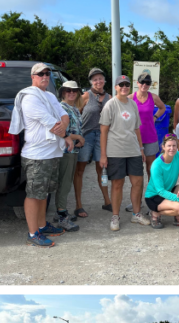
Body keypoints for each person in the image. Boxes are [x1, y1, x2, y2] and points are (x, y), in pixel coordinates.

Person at [10, 63, 69, 247]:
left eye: (47, 73)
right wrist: (66, 135)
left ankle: (42, 226)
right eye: (40, 74)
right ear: (33, 77)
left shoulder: (50, 96)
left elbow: (64, 115)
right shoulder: (29, 98)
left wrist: (64, 125)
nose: (45, 76)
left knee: (44, 194)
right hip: (37, 155)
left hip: (52, 154)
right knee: (34, 195)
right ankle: (32, 233)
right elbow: (52, 123)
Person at [100, 74, 150, 231]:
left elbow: (136, 128)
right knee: (117, 184)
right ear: (115, 87)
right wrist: (103, 155)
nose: (124, 87)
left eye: (126, 84)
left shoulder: (133, 104)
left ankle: (136, 214)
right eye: (120, 84)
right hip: (116, 151)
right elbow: (103, 131)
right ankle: (115, 216)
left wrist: (141, 148)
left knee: (137, 183)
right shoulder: (110, 105)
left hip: (133, 150)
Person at [75, 67, 113, 218]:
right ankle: (78, 205)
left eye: (100, 78)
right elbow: (75, 115)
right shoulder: (85, 96)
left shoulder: (109, 97)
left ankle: (107, 201)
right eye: (95, 79)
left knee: (102, 169)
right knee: (80, 170)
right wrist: (76, 136)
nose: (98, 81)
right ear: (91, 82)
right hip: (86, 135)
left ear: (104, 80)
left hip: (103, 136)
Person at [144, 136, 179, 230]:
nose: (172, 148)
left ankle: (177, 218)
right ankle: (155, 212)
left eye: (174, 146)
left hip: (168, 190)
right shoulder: (156, 165)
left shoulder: (178, 155)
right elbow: (160, 191)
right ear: (163, 147)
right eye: (169, 146)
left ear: (177, 146)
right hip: (154, 196)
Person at [54, 81, 85, 232]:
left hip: (72, 151)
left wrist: (78, 139)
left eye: (74, 90)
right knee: (65, 183)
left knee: (66, 182)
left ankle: (61, 210)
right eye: (68, 90)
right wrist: (78, 137)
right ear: (63, 92)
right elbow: (59, 130)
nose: (71, 93)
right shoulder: (61, 107)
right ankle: (62, 215)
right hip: (65, 151)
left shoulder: (73, 108)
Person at [133, 72, 167, 179]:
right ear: (137, 83)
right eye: (142, 82)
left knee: (150, 168)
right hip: (134, 138)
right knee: (137, 170)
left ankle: (151, 193)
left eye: (147, 83)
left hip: (150, 136)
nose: (144, 85)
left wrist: (155, 117)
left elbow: (163, 108)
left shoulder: (153, 97)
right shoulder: (130, 98)